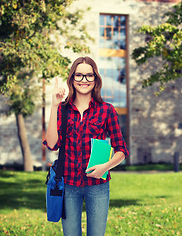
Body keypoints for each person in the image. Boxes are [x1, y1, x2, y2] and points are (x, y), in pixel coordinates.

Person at [43, 56, 129, 236]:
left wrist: (105, 167)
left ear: (96, 79)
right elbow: (52, 144)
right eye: (79, 75)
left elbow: (121, 150)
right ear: (72, 79)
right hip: (68, 185)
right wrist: (54, 105)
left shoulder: (107, 110)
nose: (84, 80)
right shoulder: (62, 109)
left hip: (98, 185)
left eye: (89, 75)